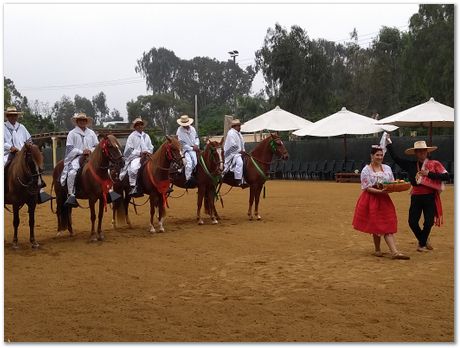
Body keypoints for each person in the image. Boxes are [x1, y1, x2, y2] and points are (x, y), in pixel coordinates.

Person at [385, 136, 449, 252]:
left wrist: (429, 174)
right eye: (419, 151)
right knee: (412, 222)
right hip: (416, 196)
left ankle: (422, 244)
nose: (421, 153)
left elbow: (446, 176)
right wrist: (388, 143)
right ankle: (423, 240)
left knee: (429, 222)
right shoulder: (411, 165)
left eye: (423, 151)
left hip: (430, 196)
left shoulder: (434, 164)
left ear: (427, 152)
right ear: (415, 153)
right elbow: (396, 158)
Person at [352, 146, 410, 260]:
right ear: (372, 156)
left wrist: (394, 188)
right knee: (378, 223)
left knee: (384, 222)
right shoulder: (366, 170)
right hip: (371, 199)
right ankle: (392, 252)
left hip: (384, 198)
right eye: (377, 155)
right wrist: (380, 191)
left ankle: (382, 250)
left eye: (381, 155)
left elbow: (391, 183)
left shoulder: (387, 168)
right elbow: (366, 187)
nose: (379, 157)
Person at [60, 113, 98, 207]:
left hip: (91, 157)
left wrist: (90, 150)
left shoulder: (91, 133)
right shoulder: (72, 133)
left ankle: (108, 191)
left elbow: (96, 146)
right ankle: (71, 194)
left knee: (105, 169)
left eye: (84, 120)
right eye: (80, 120)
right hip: (77, 157)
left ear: (86, 122)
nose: (82, 122)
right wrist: (81, 151)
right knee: (72, 172)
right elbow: (69, 149)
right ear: (77, 122)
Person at [120, 117, 154, 197]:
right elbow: (128, 150)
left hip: (147, 156)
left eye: (141, 125)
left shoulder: (146, 136)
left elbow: (151, 147)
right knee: (134, 168)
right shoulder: (131, 137)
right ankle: (133, 186)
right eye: (138, 125)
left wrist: (148, 152)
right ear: (135, 127)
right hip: (136, 157)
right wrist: (140, 153)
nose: (140, 126)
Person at [176, 114, 200, 188]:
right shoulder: (179, 131)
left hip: (194, 148)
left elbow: (197, 138)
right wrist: (192, 148)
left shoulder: (192, 129)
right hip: (184, 150)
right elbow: (182, 144)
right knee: (189, 163)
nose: (186, 125)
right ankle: (188, 179)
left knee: (198, 161)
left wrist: (196, 144)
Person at [223, 119, 246, 186]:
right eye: (239, 126)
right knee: (240, 162)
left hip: (239, 152)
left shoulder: (239, 133)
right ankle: (238, 179)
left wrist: (243, 150)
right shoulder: (231, 133)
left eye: (240, 125)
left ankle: (244, 178)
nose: (240, 127)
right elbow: (233, 145)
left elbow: (242, 143)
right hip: (232, 153)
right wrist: (240, 151)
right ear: (234, 126)